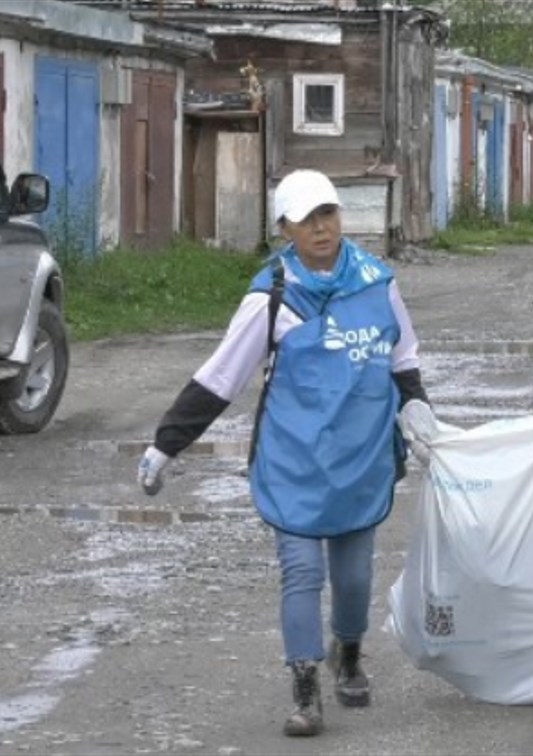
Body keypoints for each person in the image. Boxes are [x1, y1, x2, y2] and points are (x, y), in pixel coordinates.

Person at [135, 169, 432, 737]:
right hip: (293, 459)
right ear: (284, 229)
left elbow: (403, 358)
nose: (321, 228)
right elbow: (221, 377)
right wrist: (165, 445)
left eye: (328, 214)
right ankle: (305, 686)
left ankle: (348, 651)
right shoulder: (272, 294)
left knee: (353, 578)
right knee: (302, 572)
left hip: (361, 456)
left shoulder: (377, 283)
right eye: (305, 219)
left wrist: (417, 409)